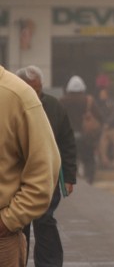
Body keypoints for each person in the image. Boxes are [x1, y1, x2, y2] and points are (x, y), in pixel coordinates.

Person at [15, 65, 77, 267]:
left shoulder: (53, 106)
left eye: (38, 89)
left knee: (45, 220)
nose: (35, 94)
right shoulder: (9, 103)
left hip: (47, 176)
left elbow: (67, 141)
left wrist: (69, 176)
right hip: (16, 178)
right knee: (19, 224)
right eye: (31, 90)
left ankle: (49, 263)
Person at [0, 64, 61, 266]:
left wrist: (9, 220)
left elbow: (44, 168)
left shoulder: (17, 95)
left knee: (46, 224)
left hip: (2, 238)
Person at [60, 75, 103, 184]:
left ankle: (69, 181)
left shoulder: (63, 101)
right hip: (86, 136)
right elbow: (100, 117)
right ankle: (89, 180)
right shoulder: (88, 101)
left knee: (69, 160)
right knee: (88, 159)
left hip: (67, 136)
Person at [96, 87, 114, 169]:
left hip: (113, 127)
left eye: (102, 94)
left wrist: (107, 124)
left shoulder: (112, 104)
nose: (101, 96)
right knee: (102, 143)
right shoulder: (99, 104)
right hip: (104, 128)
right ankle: (104, 159)